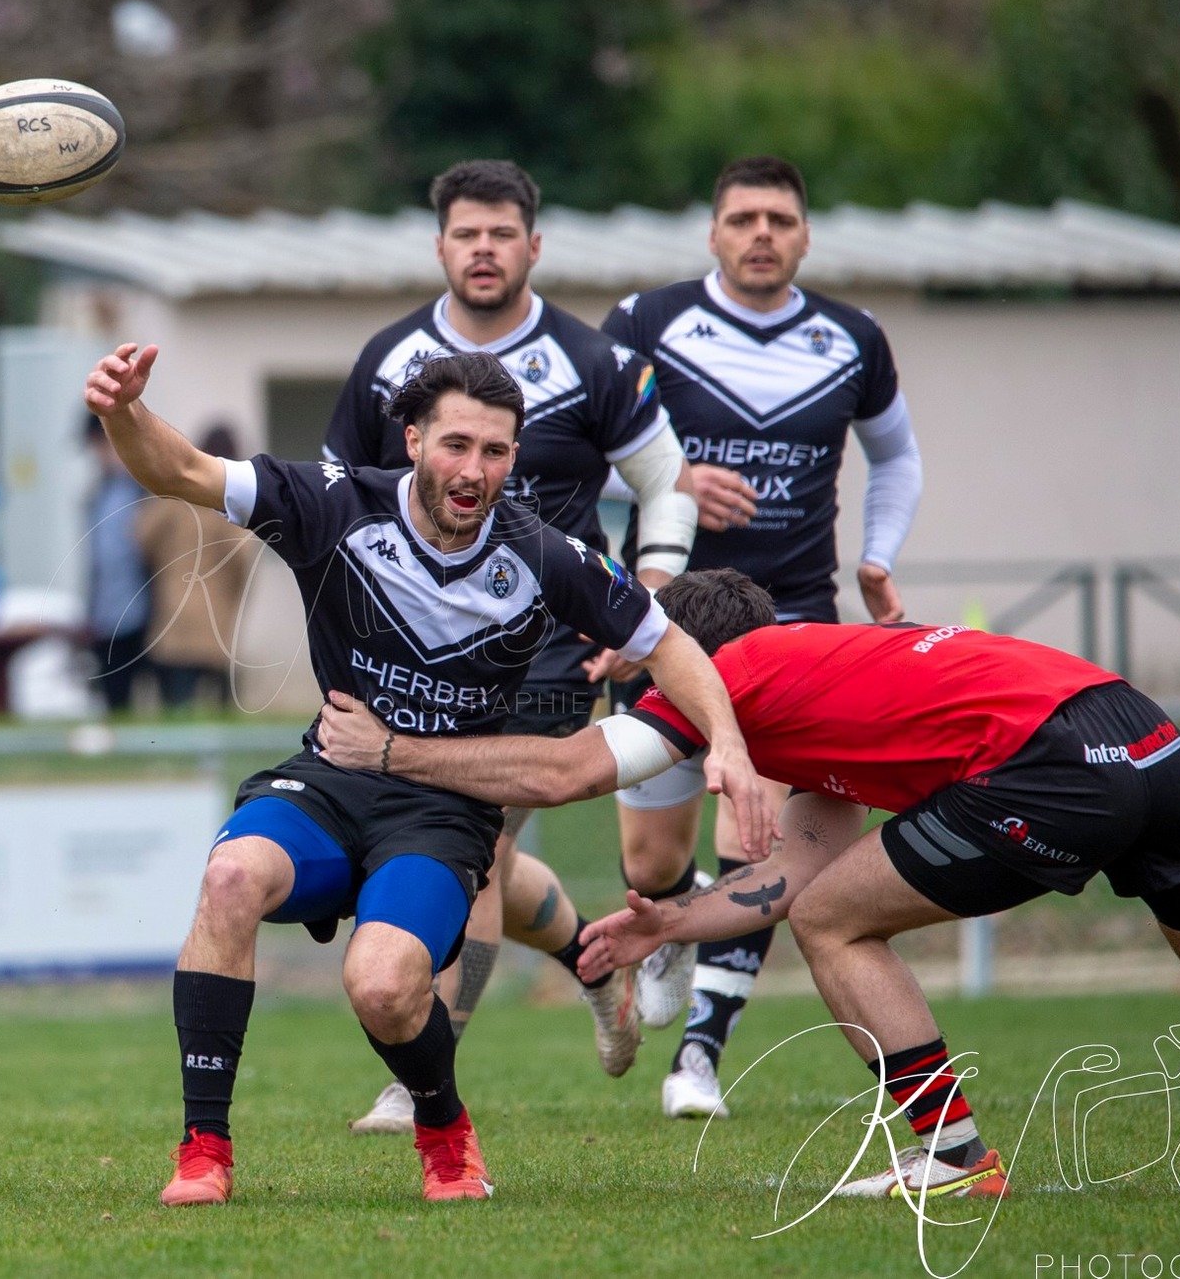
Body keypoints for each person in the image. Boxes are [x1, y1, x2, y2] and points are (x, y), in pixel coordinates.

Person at [316, 568, 1180, 1200]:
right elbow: (787, 879)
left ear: (685, 656)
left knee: (840, 927)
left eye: (651, 659)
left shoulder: (742, 669)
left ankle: (950, 1157)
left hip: (1052, 763)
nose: (647, 680)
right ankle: (946, 1154)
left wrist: (392, 752)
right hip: (1141, 733)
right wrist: (665, 920)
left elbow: (566, 770)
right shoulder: (821, 691)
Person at [83, 343, 766, 1206]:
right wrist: (121, 412)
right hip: (328, 782)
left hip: (442, 814)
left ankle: (445, 1128)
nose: (473, 469)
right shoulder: (333, 505)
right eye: (455, 444)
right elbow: (178, 468)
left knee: (382, 983)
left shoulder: (546, 557)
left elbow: (669, 644)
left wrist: (730, 743)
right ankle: (203, 1149)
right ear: (411, 440)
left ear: (514, 457)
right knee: (228, 877)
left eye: (494, 451)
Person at [324, 159, 705, 1130]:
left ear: (532, 246)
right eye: (465, 233)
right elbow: (332, 501)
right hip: (408, 648)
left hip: (545, 648)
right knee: (459, 845)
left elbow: (665, 479)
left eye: (501, 234)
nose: (483, 249)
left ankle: (418, 1071)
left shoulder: (589, 359)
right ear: (439, 245)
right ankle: (588, 956)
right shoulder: (388, 359)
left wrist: (648, 590)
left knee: (470, 847)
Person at [598, 154, 925, 1119]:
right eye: (743, 216)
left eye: (780, 217)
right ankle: (672, 914)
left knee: (766, 835)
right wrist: (673, 479)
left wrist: (879, 552)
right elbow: (578, 457)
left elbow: (898, 455)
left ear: (805, 233)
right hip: (664, 618)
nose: (762, 233)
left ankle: (699, 1052)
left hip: (796, 620)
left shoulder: (852, 339)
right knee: (652, 861)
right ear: (712, 231)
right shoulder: (644, 325)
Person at [133, 424, 259, 710]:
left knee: (177, 715)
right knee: (221, 721)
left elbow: (141, 534)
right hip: (217, 628)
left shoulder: (177, 497)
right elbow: (243, 560)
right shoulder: (233, 506)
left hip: (173, 622)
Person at [84, 413, 155, 712]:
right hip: (106, 615)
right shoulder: (99, 494)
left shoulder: (144, 491)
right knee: (114, 698)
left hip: (141, 612)